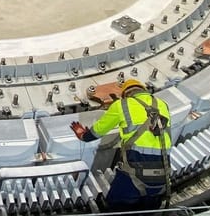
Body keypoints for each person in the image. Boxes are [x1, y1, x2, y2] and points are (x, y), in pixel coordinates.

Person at [70, 79, 172, 211]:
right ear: (144, 90)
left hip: (133, 175)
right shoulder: (163, 104)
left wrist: (84, 135)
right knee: (149, 210)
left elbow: (97, 132)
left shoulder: (122, 105)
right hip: (162, 176)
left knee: (116, 208)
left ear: (125, 94)